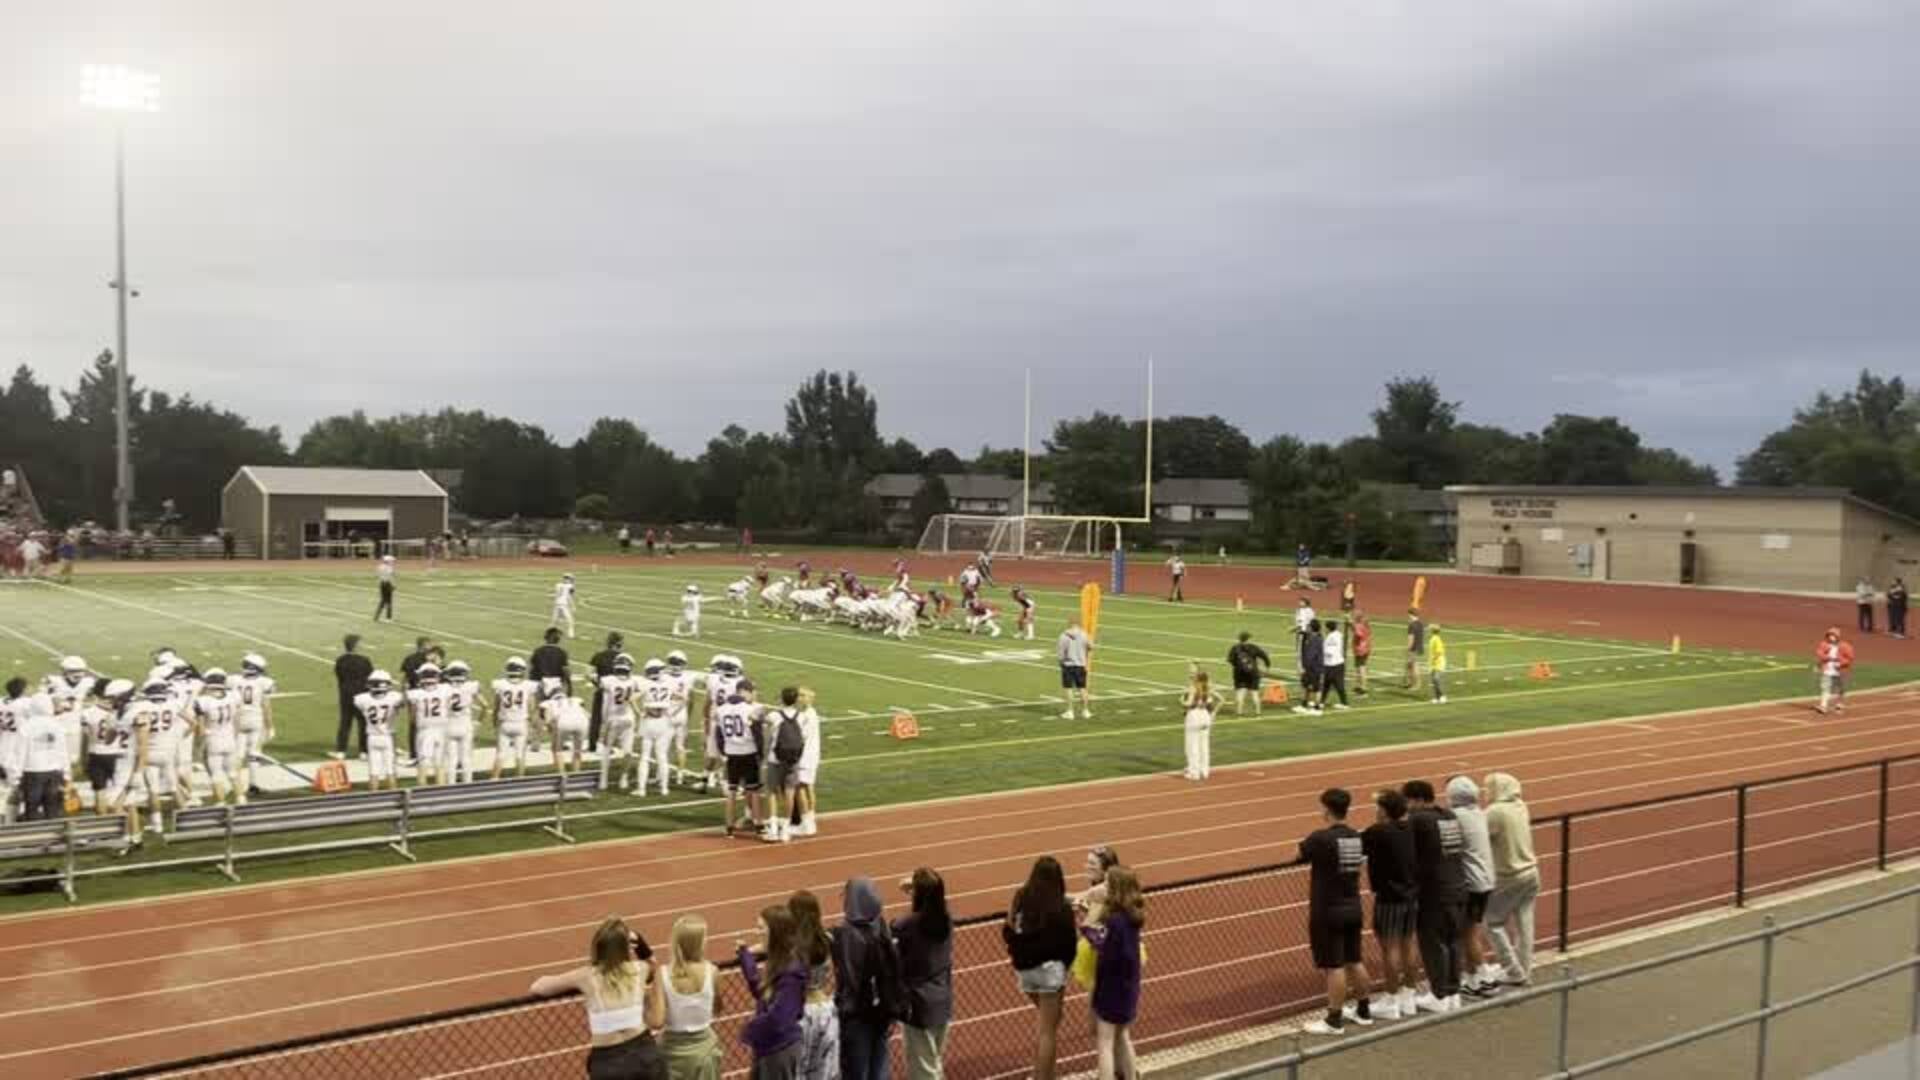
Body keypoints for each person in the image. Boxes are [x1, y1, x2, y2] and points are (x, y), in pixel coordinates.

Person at [531, 917, 665, 1080]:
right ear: (625, 948)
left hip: (609, 1063)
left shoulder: (586, 976)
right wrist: (641, 944)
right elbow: (653, 965)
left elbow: (538, 987)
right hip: (645, 1055)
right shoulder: (639, 969)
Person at [1300, 788, 1373, 1035]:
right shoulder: (1356, 836)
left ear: (1326, 809)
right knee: (1355, 960)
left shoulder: (1321, 838)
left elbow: (1298, 854)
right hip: (1353, 905)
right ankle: (1364, 1011)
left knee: (1334, 965)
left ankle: (1334, 1019)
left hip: (1328, 909)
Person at [1004, 856, 1078, 1080]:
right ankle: (1044, 1077)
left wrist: (1016, 956)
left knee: (1049, 1023)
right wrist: (1066, 967)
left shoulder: (1021, 897)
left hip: (1025, 972)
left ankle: (1041, 1072)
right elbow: (1069, 942)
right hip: (1050, 971)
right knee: (1048, 1030)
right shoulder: (1061, 906)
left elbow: (1009, 929)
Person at [1403, 779, 1466, 1012]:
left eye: (1407, 801)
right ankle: (1452, 992)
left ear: (1417, 800)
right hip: (1458, 887)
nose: (1406, 807)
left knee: (1434, 943)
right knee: (1453, 941)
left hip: (1435, 892)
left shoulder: (1418, 819)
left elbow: (1407, 849)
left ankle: (1439, 995)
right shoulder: (1448, 816)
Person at [1362, 789, 1420, 1020]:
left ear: (1384, 811)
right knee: (1408, 943)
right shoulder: (1411, 828)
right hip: (1412, 895)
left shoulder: (1379, 831)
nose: (1375, 812)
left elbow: (1355, 845)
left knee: (1390, 948)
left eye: (1378, 808)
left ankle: (1391, 999)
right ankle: (1409, 995)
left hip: (1389, 897)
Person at [832, 876, 897, 1080]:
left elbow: (849, 975)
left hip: (856, 1011)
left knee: (855, 1068)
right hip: (883, 1008)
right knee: (880, 1061)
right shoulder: (881, 924)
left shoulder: (846, 933)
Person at [1083, 865, 1145, 1080]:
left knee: (1105, 1043)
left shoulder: (1115, 922)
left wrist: (1090, 926)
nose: (1103, 886)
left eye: (1107, 883)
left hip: (1112, 989)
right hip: (1130, 987)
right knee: (1122, 1038)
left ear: (1116, 889)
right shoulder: (1133, 917)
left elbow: (1099, 943)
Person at [893, 869, 954, 1080]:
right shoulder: (945, 920)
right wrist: (920, 888)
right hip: (943, 1000)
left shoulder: (907, 926)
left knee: (923, 1070)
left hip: (919, 1004)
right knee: (934, 1062)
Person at [1446, 775, 1502, 995]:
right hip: (1485, 879)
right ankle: (1473, 978)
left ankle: (1484, 978)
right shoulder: (1478, 813)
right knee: (1470, 931)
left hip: (1472, 882)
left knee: (1468, 933)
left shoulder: (1457, 816)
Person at [1483, 771, 1540, 987]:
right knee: (1525, 923)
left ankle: (1512, 969)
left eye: (1489, 788)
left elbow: (1480, 836)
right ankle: (1524, 968)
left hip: (1509, 875)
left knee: (1492, 923)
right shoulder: (1521, 806)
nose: (1486, 792)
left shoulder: (1494, 812)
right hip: (1532, 872)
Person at [741, 905, 808, 1080]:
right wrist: (746, 957)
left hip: (779, 1050)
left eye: (761, 928)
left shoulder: (791, 973)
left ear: (775, 933)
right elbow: (762, 991)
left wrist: (750, 1029)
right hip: (768, 1047)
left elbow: (779, 1019)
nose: (758, 933)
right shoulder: (777, 961)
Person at [654, 914, 721, 1080]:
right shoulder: (712, 971)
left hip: (671, 1051)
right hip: (705, 1050)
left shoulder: (662, 974)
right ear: (698, 943)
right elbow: (717, 1008)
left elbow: (657, 1020)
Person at [788, 891, 840, 1080]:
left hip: (802, 1011)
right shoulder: (827, 939)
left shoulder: (792, 947)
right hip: (826, 1008)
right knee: (824, 1068)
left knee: (799, 1069)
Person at [6, 678, 66, 821]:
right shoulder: (56, 725)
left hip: (30, 769)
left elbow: (20, 754)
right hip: (52, 770)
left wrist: (16, 777)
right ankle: (52, 840)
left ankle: (29, 836)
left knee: (30, 807)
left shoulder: (25, 725)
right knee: (51, 808)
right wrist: (66, 774)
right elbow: (63, 753)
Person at [712, 679, 764, 836]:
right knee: (753, 791)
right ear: (744, 692)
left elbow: (718, 736)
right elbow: (757, 735)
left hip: (731, 753)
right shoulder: (750, 709)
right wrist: (760, 753)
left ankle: (729, 827)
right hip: (748, 752)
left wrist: (724, 752)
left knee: (732, 791)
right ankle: (758, 824)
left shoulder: (720, 710)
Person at [763, 688, 806, 844]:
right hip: (793, 759)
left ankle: (773, 828)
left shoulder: (774, 716)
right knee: (789, 792)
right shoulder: (802, 716)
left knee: (772, 792)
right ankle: (786, 829)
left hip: (775, 758)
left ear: (781, 699)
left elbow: (760, 720)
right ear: (796, 700)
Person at [231, 655, 275, 800]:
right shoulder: (264, 682)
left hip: (238, 720)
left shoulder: (233, 680)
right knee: (254, 753)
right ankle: (253, 785)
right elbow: (266, 706)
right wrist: (270, 726)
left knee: (238, 754)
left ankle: (235, 784)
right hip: (255, 720)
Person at [357, 671, 406, 791]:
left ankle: (373, 798)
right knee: (390, 770)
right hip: (387, 737)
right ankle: (395, 798)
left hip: (372, 737)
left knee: (374, 771)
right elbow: (403, 703)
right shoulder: (393, 697)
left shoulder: (362, 699)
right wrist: (405, 689)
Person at [491, 658, 536, 779]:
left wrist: (495, 723)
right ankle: (520, 780)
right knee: (520, 755)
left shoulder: (501, 685)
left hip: (505, 723)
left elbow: (496, 707)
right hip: (521, 723)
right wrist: (532, 724)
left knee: (500, 755)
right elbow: (531, 707)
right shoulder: (528, 686)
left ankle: (493, 780)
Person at [331, 634, 373, 762]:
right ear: (356, 645)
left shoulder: (340, 660)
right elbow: (370, 677)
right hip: (362, 695)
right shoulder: (364, 660)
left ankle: (341, 750)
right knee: (363, 723)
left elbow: (339, 676)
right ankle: (364, 751)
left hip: (346, 694)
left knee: (345, 722)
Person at [792, 687, 824, 837]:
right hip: (812, 756)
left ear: (808, 699)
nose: (799, 698)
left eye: (802, 695)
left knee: (800, 788)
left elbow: (800, 738)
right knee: (809, 786)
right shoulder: (812, 713)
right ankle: (810, 819)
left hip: (804, 757)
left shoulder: (806, 716)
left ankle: (806, 824)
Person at [589, 632, 626, 753]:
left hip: (602, 690)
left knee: (596, 719)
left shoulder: (599, 655)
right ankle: (609, 745)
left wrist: (599, 685)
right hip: (617, 693)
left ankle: (592, 744)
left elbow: (589, 674)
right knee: (613, 719)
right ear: (619, 643)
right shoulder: (623, 658)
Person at [1181, 670, 1221, 781]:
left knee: (1191, 746)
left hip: (1194, 716)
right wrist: (1213, 713)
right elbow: (1221, 700)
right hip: (1205, 716)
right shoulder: (1208, 688)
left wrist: (1181, 701)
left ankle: (1194, 772)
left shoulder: (1193, 688)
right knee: (1204, 745)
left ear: (1197, 678)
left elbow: (1189, 704)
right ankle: (1205, 771)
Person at [1057, 619, 1094, 721]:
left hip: (1068, 665)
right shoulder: (1084, 634)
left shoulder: (1063, 635)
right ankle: (1086, 711)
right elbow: (1091, 646)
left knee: (1068, 689)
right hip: (1081, 665)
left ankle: (1070, 711)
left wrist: (1061, 662)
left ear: (1070, 624)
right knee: (1082, 688)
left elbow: (1061, 653)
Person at [1226, 632, 1270, 716]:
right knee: (1254, 692)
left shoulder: (1235, 648)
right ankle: (1258, 712)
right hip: (1253, 673)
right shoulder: (1254, 647)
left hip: (1239, 673)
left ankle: (1239, 712)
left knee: (1240, 692)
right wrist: (1267, 666)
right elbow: (1264, 656)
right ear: (1248, 639)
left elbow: (1230, 660)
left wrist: (1237, 665)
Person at [1815, 627, 1854, 715]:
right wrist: (1826, 660)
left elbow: (1850, 658)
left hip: (1840, 671)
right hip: (1828, 670)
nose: (1831, 637)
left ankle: (1839, 704)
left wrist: (1841, 663)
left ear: (1837, 636)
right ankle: (1823, 706)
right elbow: (1820, 654)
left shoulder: (1845, 646)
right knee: (1825, 687)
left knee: (1840, 689)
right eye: (1829, 635)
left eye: (1833, 635)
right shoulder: (1824, 644)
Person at [1293, 620, 1325, 715]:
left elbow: (1311, 656)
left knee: (1316, 688)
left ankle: (1317, 708)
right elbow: (1304, 632)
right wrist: (1297, 630)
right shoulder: (1314, 636)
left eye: (1308, 626)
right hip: (1311, 667)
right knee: (1306, 686)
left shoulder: (1315, 640)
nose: (1307, 628)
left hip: (1313, 667)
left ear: (1311, 628)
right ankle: (1304, 705)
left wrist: (1303, 667)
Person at [532, 627, 573, 695]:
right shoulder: (561, 652)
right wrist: (570, 686)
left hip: (540, 684)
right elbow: (566, 671)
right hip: (556, 685)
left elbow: (532, 670)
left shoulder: (538, 651)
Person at [1321, 620, 1350, 711]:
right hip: (1338, 663)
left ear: (1328, 628)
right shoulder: (1338, 634)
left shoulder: (1331, 637)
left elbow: (1329, 651)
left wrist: (1322, 652)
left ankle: (1345, 703)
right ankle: (1322, 701)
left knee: (1338, 685)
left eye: (1325, 627)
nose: (1324, 629)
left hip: (1333, 664)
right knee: (1326, 684)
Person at [1351, 612, 1374, 696]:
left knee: (1361, 669)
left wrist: (1353, 627)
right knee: (1358, 668)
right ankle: (1358, 686)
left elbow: (1358, 634)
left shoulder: (1360, 626)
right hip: (1365, 649)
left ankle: (1363, 688)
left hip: (1361, 650)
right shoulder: (1366, 626)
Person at [1427, 624, 1450, 705]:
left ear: (1433, 631)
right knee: (1434, 680)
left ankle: (1443, 696)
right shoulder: (1433, 639)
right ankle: (1437, 697)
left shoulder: (1437, 639)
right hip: (1434, 663)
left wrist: (1434, 658)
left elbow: (1439, 651)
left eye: (1430, 629)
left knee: (1436, 679)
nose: (1428, 631)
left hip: (1439, 662)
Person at [1404, 609, 1426, 691]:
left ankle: (1417, 684)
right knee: (1409, 665)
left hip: (1413, 648)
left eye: (1408, 615)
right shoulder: (1420, 624)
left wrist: (1408, 649)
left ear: (1411, 615)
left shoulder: (1411, 625)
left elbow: (1411, 639)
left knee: (1414, 666)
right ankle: (1409, 682)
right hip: (1419, 647)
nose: (1408, 617)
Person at [555, 573, 581, 640]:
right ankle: (571, 635)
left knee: (560, 620)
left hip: (557, 604)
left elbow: (558, 594)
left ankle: (558, 633)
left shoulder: (558, 585)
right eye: (570, 579)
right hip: (564, 604)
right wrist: (573, 606)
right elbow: (569, 596)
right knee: (570, 620)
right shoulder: (569, 586)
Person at [374, 554, 397, 621]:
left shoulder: (380, 567)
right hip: (387, 584)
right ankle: (388, 617)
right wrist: (393, 585)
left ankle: (377, 616)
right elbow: (391, 576)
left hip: (381, 584)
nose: (392, 562)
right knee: (389, 601)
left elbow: (378, 575)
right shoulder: (389, 568)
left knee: (383, 600)